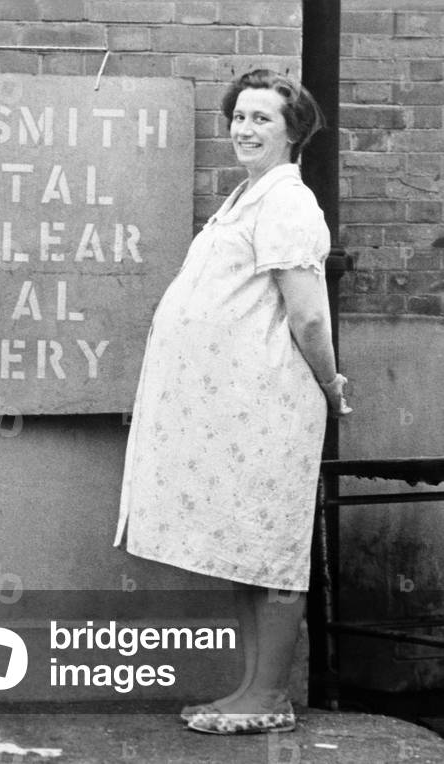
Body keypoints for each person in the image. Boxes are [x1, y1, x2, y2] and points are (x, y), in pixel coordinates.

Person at [113, 69, 353, 735]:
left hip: (271, 402)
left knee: (271, 543)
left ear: (292, 132)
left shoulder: (288, 204)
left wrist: (332, 384)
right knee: (243, 544)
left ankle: (269, 695)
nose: (242, 129)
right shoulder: (247, 197)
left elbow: (307, 318)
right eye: (238, 117)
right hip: (237, 410)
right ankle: (249, 688)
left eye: (260, 120)